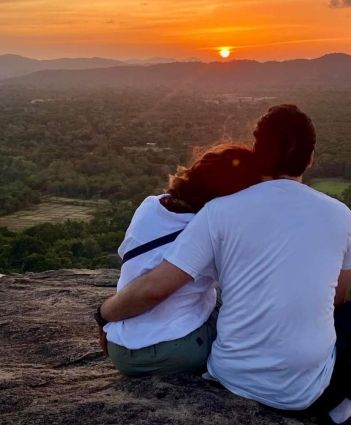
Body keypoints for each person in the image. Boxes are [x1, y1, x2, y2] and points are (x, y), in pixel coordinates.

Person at [97, 105, 351, 425]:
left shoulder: (218, 211)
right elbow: (337, 301)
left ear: (258, 152)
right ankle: (341, 412)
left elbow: (156, 286)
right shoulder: (340, 215)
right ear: (311, 157)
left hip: (229, 376)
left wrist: (104, 315)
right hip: (302, 393)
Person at [97, 144, 261, 377]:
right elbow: (246, 291)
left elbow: (131, 261)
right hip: (172, 350)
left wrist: (104, 316)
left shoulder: (150, 205)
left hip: (120, 347)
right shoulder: (211, 233)